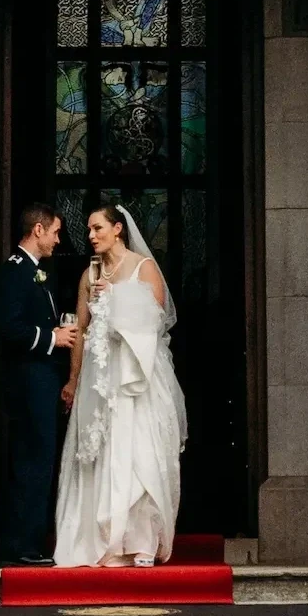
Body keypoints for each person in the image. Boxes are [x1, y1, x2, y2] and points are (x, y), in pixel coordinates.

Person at [53, 203, 186, 567]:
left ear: (117, 229)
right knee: (102, 451)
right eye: (90, 230)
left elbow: (155, 325)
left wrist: (119, 297)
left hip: (135, 377)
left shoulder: (144, 268)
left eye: (97, 228)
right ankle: (103, 540)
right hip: (100, 376)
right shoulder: (89, 273)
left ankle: (141, 542)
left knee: (137, 451)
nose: (91, 236)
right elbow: (80, 331)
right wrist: (74, 378)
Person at [0, 202, 79, 564]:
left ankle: (29, 543)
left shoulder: (34, 270)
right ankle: (21, 548)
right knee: (32, 460)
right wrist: (52, 338)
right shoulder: (16, 271)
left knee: (39, 458)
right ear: (39, 230)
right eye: (56, 231)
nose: (58, 239)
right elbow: (8, 327)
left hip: (39, 380)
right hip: (27, 381)